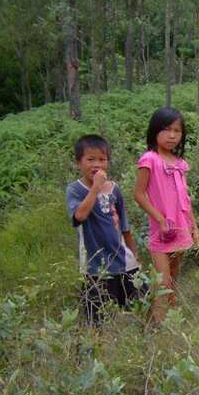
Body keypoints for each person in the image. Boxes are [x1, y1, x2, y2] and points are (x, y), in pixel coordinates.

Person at [66, 134, 142, 325]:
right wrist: (95, 188)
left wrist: (134, 253)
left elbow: (124, 225)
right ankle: (96, 350)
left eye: (102, 159)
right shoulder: (75, 190)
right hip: (95, 266)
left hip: (124, 262)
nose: (96, 164)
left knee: (140, 306)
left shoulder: (114, 189)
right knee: (96, 318)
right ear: (78, 163)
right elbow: (79, 216)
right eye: (90, 159)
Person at [133, 107, 199, 322]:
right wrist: (160, 219)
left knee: (174, 276)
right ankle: (157, 327)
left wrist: (194, 227)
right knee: (163, 282)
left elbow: (185, 199)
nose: (172, 135)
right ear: (155, 131)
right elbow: (139, 194)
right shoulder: (149, 159)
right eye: (166, 130)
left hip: (181, 228)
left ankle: (172, 323)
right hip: (161, 231)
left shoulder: (180, 164)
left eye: (177, 131)